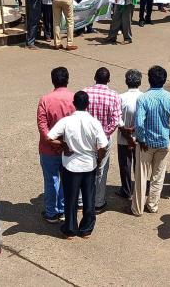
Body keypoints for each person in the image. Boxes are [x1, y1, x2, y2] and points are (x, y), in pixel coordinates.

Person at [46, 91, 110, 238]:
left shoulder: (66, 121)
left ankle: (70, 229)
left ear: (74, 104)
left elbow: (49, 138)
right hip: (89, 164)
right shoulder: (94, 122)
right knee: (88, 197)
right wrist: (99, 159)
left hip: (70, 165)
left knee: (70, 198)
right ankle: (86, 229)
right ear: (88, 104)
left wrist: (63, 145)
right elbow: (103, 146)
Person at [132, 66, 170, 216]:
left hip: (146, 144)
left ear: (149, 80)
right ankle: (153, 205)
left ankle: (137, 208)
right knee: (158, 176)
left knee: (141, 176)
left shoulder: (143, 98)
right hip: (163, 142)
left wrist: (141, 139)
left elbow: (139, 123)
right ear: (164, 80)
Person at [36, 67, 75, 223]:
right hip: (69, 149)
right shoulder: (74, 98)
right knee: (67, 180)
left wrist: (53, 142)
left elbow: (42, 127)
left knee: (51, 180)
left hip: (48, 149)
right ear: (67, 79)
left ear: (53, 80)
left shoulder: (45, 100)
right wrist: (64, 144)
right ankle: (64, 209)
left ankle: (51, 212)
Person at [82, 69, 121, 209]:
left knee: (84, 167)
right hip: (104, 139)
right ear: (109, 80)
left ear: (94, 77)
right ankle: (98, 201)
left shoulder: (85, 92)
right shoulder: (114, 96)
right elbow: (115, 120)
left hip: (86, 138)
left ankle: (81, 200)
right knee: (101, 169)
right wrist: (104, 134)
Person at [115, 69, 143, 200]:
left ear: (126, 82)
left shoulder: (120, 97)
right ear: (140, 82)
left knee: (125, 166)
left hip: (123, 139)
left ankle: (126, 190)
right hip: (140, 138)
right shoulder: (144, 97)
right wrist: (134, 130)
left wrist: (127, 134)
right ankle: (138, 189)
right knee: (139, 165)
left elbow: (117, 120)